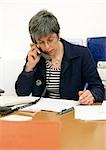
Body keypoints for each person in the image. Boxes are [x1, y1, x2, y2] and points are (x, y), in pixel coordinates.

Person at [15, 9, 105, 105]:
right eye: (41, 42)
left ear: (58, 35)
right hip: (42, 113)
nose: (47, 47)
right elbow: (21, 93)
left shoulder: (81, 54)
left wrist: (92, 94)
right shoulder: (35, 57)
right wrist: (29, 67)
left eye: (50, 40)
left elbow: (98, 87)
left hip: (70, 113)